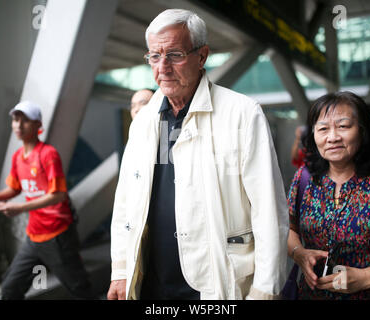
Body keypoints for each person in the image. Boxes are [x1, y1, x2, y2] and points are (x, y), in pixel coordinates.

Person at [107, 9, 289, 300]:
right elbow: (126, 201)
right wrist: (120, 268)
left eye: (175, 55)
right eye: (154, 56)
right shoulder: (144, 121)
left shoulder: (242, 114)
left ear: (202, 56)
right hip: (151, 283)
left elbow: (269, 210)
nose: (162, 68)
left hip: (216, 282)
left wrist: (265, 290)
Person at [287, 91, 370, 300]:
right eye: (323, 128)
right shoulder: (304, 180)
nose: (332, 137)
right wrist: (298, 253)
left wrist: (368, 276)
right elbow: (289, 229)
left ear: (363, 131)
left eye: (343, 126)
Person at [0, 101, 93, 300]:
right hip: (34, 237)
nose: (19, 125)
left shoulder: (48, 154)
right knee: (10, 289)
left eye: (25, 121)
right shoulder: (18, 157)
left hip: (58, 236)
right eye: (16, 120)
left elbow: (58, 194)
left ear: (37, 125)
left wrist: (20, 208)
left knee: (80, 291)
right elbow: (15, 187)